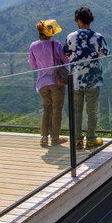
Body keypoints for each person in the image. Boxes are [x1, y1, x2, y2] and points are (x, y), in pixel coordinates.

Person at [63, 6, 109, 150]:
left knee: (76, 111)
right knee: (92, 110)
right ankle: (91, 139)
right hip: (93, 79)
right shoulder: (98, 37)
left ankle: (77, 140)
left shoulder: (71, 37)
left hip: (75, 79)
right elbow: (106, 52)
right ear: (90, 20)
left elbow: (66, 53)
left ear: (78, 20)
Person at [28, 19, 69, 147]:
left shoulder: (33, 46)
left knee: (47, 109)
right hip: (56, 81)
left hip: (41, 82)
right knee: (57, 110)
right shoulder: (56, 45)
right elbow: (67, 61)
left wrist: (42, 67)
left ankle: (44, 138)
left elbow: (32, 63)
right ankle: (55, 138)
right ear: (51, 32)